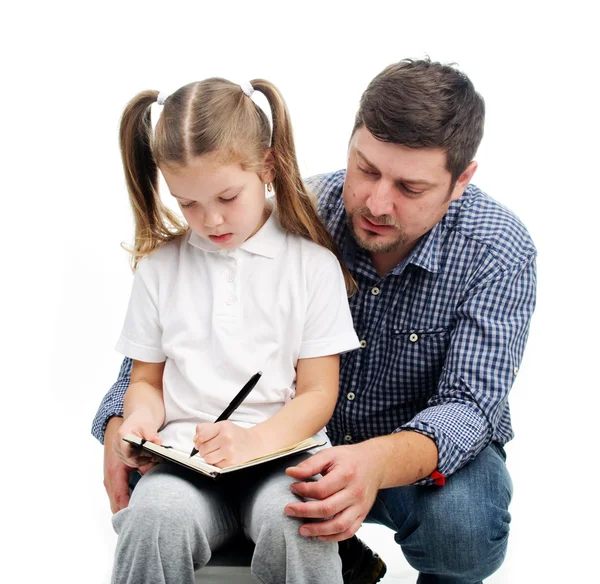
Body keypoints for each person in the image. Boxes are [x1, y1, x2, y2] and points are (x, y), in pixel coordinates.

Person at [94, 58, 537, 584]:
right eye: (366, 169)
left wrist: (370, 463)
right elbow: (163, 350)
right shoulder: (295, 214)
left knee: (464, 522)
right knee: (191, 513)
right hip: (258, 456)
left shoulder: (496, 251)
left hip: (392, 459)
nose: (375, 202)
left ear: (460, 180)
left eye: (409, 188)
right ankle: (333, 554)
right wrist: (119, 427)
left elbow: (470, 407)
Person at [106, 76, 367, 584]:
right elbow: (145, 381)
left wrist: (252, 444)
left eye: (227, 195)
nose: (211, 219)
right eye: (189, 204)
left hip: (281, 461)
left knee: (300, 523)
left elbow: (318, 394)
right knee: (153, 519)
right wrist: (138, 421)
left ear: (266, 166)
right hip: (185, 463)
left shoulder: (312, 267)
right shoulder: (160, 269)